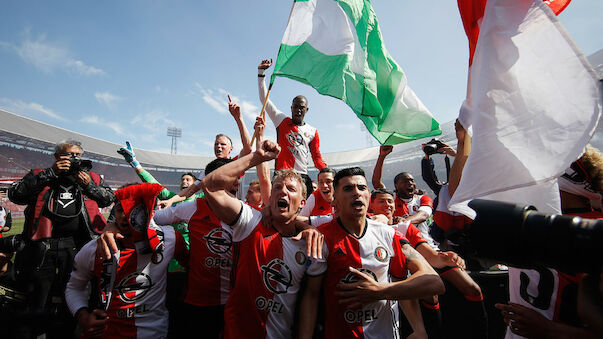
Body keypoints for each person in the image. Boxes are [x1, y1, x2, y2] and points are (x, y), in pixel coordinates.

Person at [298, 167, 444, 339]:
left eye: (362, 188)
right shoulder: (322, 238)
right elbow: (311, 296)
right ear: (334, 200)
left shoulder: (388, 234)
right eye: (348, 188)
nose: (356, 193)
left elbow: (435, 283)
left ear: (368, 195)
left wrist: (381, 290)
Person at [199, 138, 324, 338]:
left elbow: (310, 300)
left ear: (302, 203)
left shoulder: (313, 245)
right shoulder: (249, 221)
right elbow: (210, 186)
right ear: (271, 197)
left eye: (290, 189)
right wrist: (256, 157)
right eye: (277, 187)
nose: (282, 191)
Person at [7, 139, 114, 338]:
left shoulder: (91, 177)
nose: (73, 159)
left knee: (73, 294)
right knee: (38, 295)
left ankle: (69, 331)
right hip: (42, 246)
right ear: (57, 157)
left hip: (77, 246)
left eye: (77, 156)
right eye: (68, 155)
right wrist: (51, 173)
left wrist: (89, 186)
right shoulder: (41, 174)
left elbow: (108, 199)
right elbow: (15, 195)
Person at [66, 183, 188, 339]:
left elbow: (191, 267)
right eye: (119, 209)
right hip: (107, 333)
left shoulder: (170, 238)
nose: (124, 215)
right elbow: (74, 287)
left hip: (156, 334)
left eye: (131, 210)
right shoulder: (94, 249)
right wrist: (83, 316)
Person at [370, 187, 488, 339]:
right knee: (429, 294)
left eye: (390, 201)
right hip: (395, 279)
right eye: (381, 201)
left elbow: (430, 256)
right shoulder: (367, 226)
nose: (387, 205)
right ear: (371, 205)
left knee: (473, 289)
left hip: (422, 266)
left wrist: (447, 258)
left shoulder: (404, 227)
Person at [116, 142, 202, 338]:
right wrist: (135, 163)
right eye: (184, 180)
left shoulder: (203, 201)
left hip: (195, 264)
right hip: (170, 263)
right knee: (169, 303)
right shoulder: (170, 198)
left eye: (190, 179)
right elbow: (151, 183)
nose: (186, 182)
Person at [258, 58, 327, 196]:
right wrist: (261, 73)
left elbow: (316, 157)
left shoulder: (313, 131)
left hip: (302, 176)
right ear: (291, 108)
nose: (298, 110)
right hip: (282, 174)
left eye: (302, 108)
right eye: (296, 107)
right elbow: (264, 99)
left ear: (307, 110)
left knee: (302, 214)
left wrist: (326, 171)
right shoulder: (281, 120)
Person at [372, 146, 436, 249]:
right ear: (396, 186)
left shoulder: (423, 198)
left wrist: (404, 221)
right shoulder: (391, 198)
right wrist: (382, 157)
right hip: (400, 246)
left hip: (425, 245)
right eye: (405, 181)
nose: (410, 183)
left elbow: (423, 215)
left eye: (412, 180)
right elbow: (376, 183)